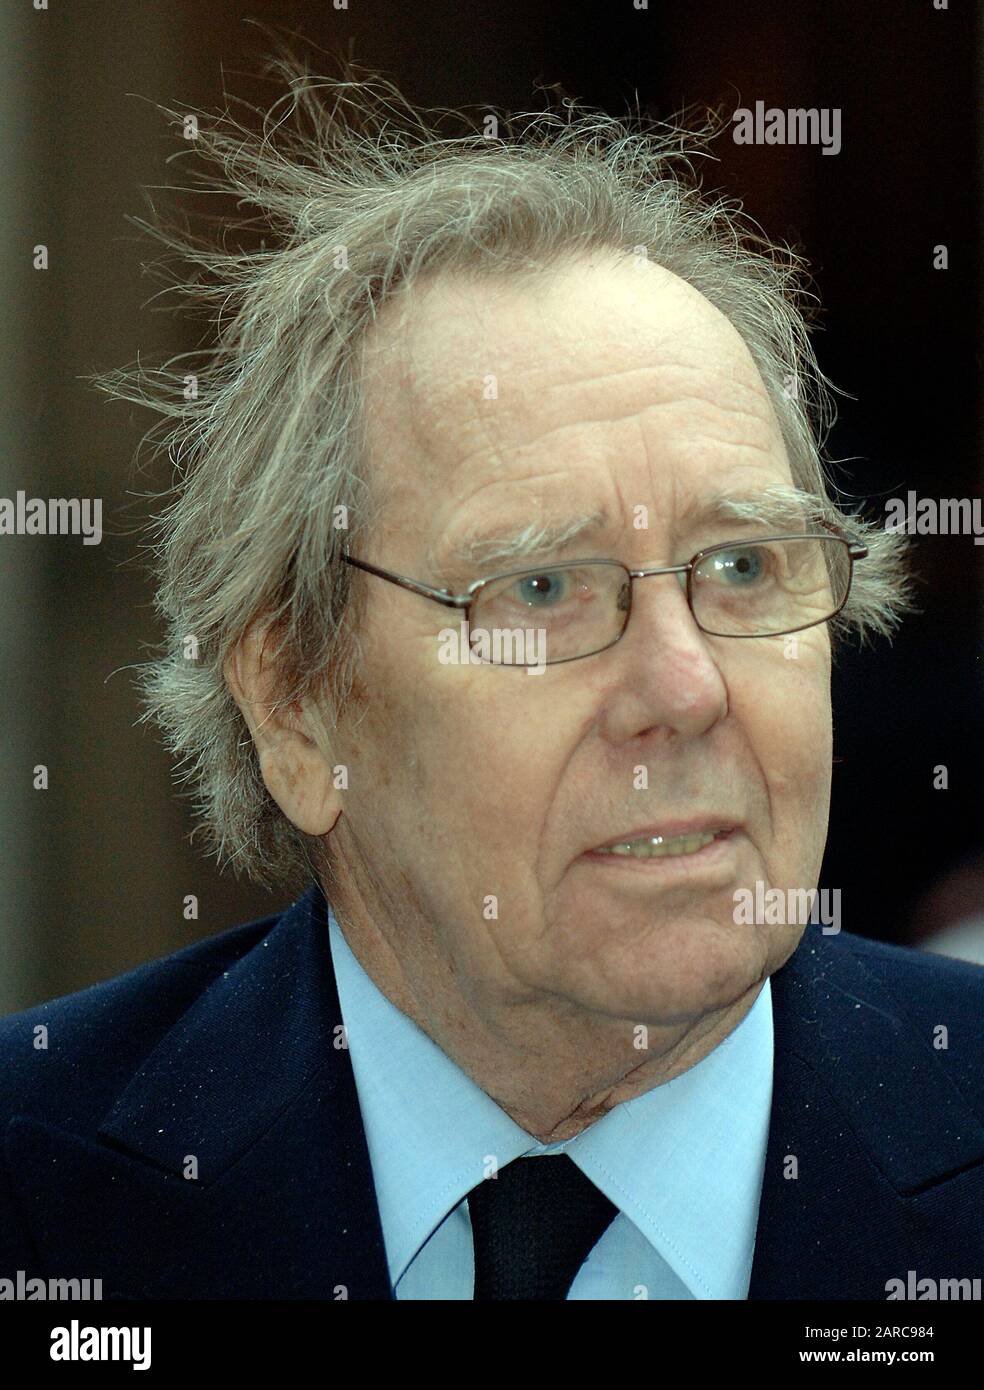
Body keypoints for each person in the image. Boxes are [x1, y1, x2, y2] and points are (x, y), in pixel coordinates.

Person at [2, 58, 982, 1302]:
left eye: (740, 565)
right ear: (295, 705)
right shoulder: (43, 1200)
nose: (685, 689)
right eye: (540, 590)